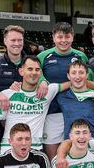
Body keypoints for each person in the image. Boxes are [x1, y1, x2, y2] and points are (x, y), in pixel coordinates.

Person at [37, 23, 88, 159]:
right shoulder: (43, 56)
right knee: (53, 157)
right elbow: (35, 72)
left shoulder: (81, 56)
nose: (63, 40)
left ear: (72, 37)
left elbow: (88, 79)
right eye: (60, 37)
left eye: (67, 36)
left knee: (76, 155)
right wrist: (42, 80)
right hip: (53, 112)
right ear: (53, 38)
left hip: (76, 111)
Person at [55, 61, 94, 140]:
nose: (77, 76)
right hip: (71, 144)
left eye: (81, 73)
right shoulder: (61, 97)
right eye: (73, 73)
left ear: (87, 75)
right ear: (68, 76)